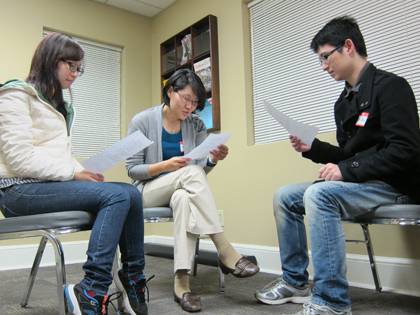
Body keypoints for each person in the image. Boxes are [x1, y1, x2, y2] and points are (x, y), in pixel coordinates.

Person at [255, 16, 420, 315]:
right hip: (362, 184)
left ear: (348, 46)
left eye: (325, 57)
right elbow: (348, 154)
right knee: (285, 196)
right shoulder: (343, 103)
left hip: (394, 184)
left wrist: (346, 170)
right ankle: (295, 282)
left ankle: (331, 301)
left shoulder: (392, 87)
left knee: (319, 195)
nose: (323, 66)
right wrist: (313, 148)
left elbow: (406, 151)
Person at [0, 33, 150, 315]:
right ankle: (92, 288)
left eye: (79, 68)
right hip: (16, 191)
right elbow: (19, 160)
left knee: (130, 192)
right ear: (49, 61)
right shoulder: (15, 95)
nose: (76, 73)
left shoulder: (60, 107)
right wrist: (73, 173)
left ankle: (131, 278)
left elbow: (60, 156)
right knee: (117, 196)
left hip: (46, 186)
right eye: (71, 65)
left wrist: (84, 170)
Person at [126, 68, 260, 312]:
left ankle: (182, 284)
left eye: (195, 102)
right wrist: (164, 166)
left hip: (181, 188)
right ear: (170, 92)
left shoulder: (196, 124)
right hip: (145, 191)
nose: (190, 106)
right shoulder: (142, 121)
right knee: (188, 175)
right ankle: (225, 250)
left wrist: (212, 159)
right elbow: (133, 169)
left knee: (184, 199)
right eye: (186, 99)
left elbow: (199, 170)